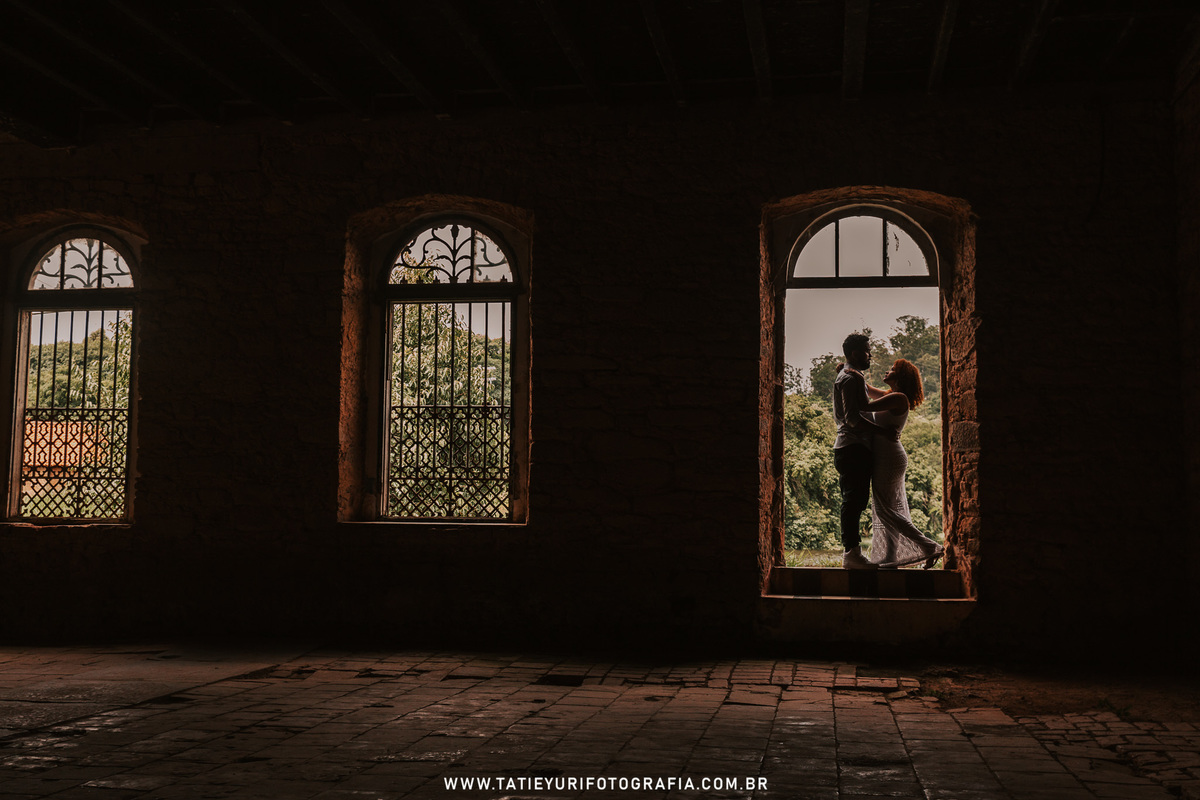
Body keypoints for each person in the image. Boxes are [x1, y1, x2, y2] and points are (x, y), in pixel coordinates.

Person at [857, 358, 945, 569]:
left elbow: (862, 405)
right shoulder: (891, 395)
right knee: (887, 508)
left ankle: (929, 547)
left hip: (889, 457)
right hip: (887, 455)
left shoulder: (898, 398)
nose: (887, 371)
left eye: (892, 370)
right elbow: (867, 389)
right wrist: (851, 372)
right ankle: (891, 557)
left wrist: (852, 377)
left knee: (885, 510)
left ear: (901, 377)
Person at [832, 334, 897, 570]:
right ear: (855, 353)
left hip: (852, 448)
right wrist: (883, 432)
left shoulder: (851, 375)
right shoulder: (851, 378)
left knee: (856, 501)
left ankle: (852, 553)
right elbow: (852, 419)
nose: (870, 355)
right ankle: (851, 554)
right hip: (853, 447)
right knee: (853, 501)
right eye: (867, 351)